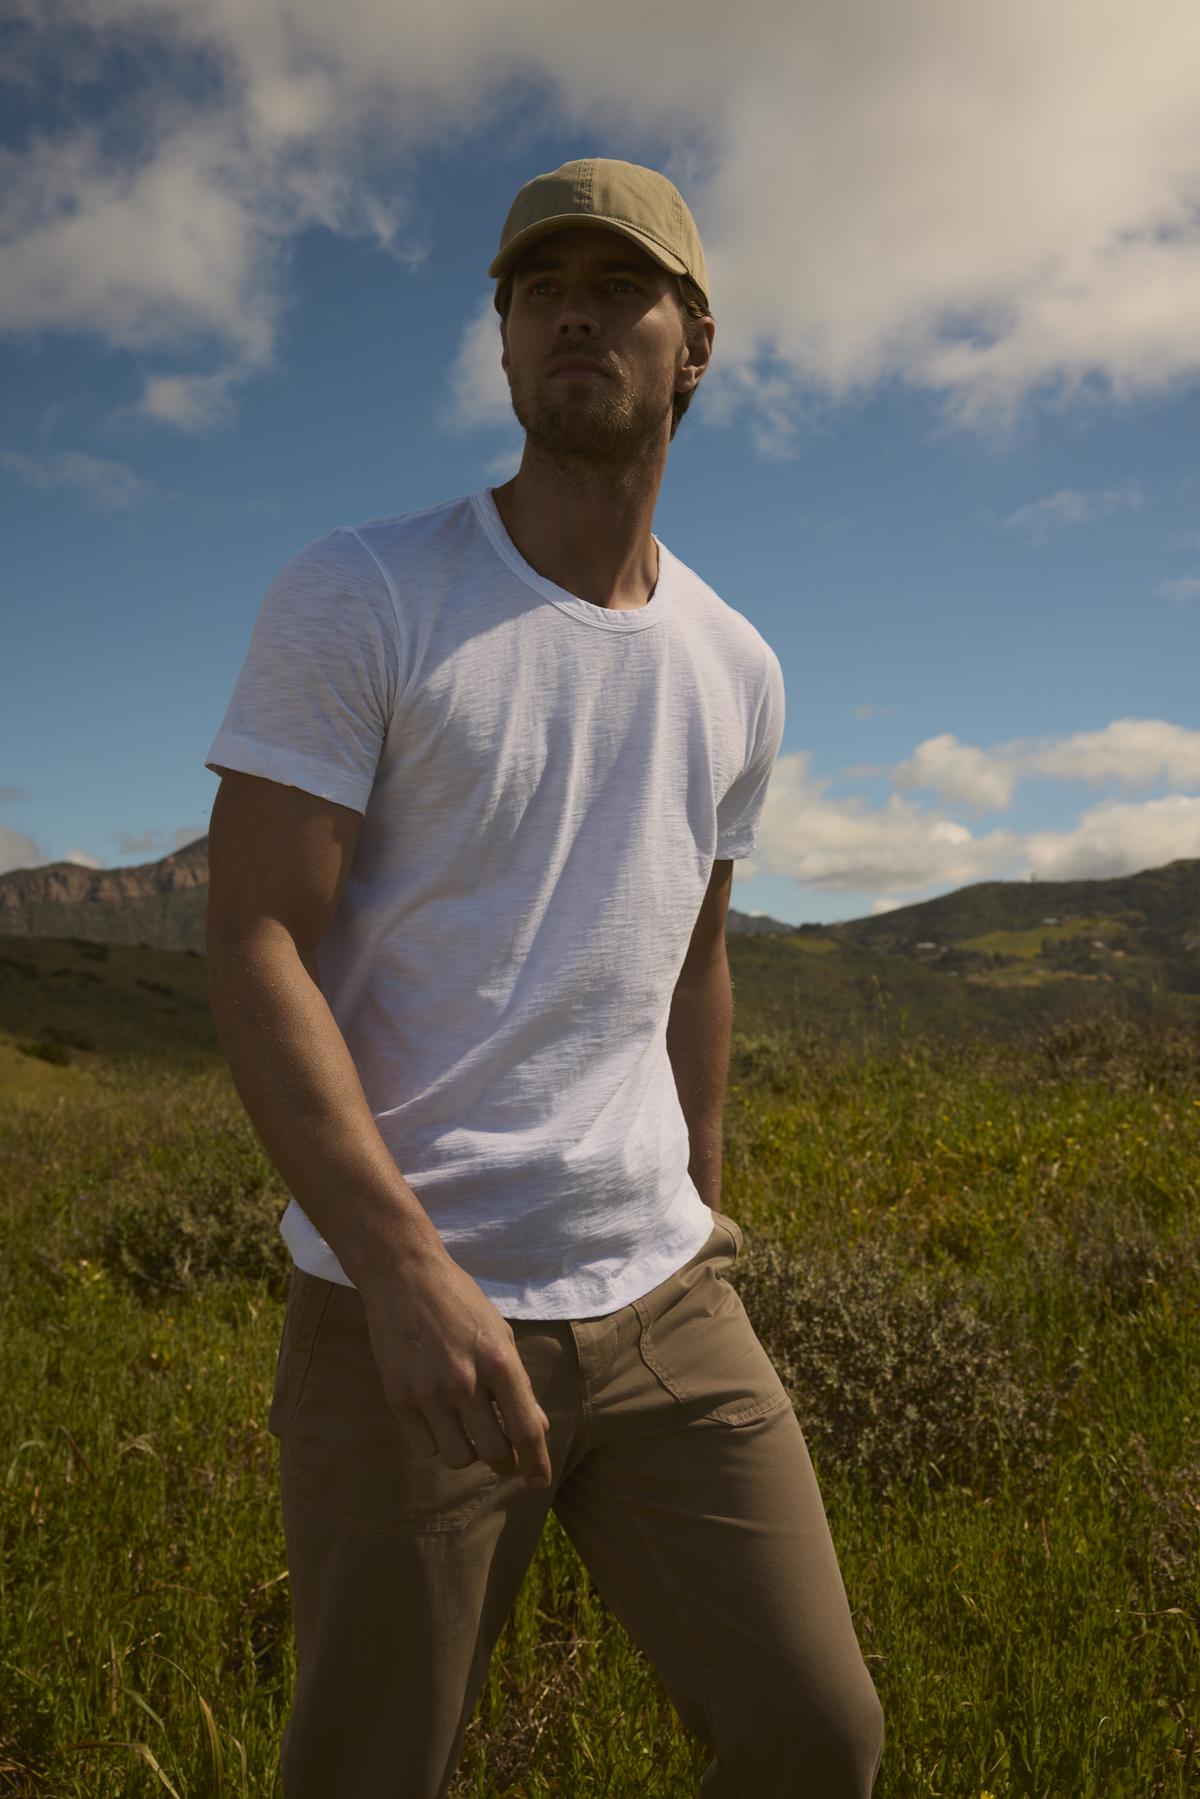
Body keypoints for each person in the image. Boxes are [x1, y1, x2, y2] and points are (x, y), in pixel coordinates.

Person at [204, 155, 884, 1798]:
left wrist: (705, 1191)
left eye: (618, 284)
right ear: (505, 346)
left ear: (694, 345)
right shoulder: (365, 593)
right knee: (372, 1770)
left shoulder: (738, 665)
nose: (573, 309)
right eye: (537, 288)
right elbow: (256, 937)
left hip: (663, 1302)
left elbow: (692, 948)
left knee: (818, 1738)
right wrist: (405, 1274)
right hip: (406, 1314)